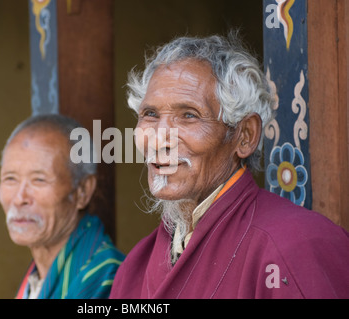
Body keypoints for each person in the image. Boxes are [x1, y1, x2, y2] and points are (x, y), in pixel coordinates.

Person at [109, 33, 349, 299]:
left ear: (244, 136)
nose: (159, 138)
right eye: (150, 115)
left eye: (188, 115)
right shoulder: (135, 266)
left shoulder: (293, 248)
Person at [0, 114, 124, 299]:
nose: (19, 198)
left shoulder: (109, 279)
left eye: (39, 180)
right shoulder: (36, 279)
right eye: (10, 179)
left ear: (83, 191)